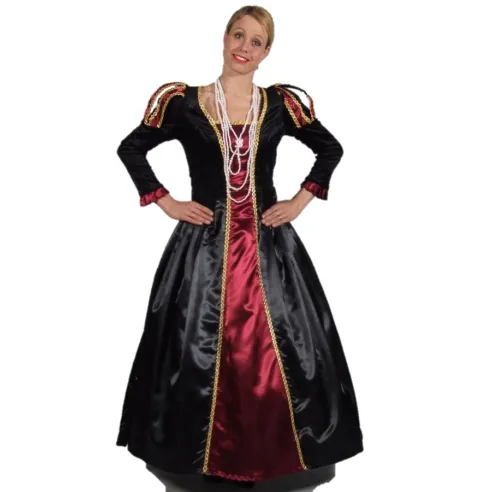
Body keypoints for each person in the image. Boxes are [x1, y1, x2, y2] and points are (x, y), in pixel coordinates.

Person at [115, 5, 363, 491]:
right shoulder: (184, 102)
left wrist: (298, 202)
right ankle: (192, 456)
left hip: (270, 248)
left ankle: (278, 453)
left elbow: (330, 148)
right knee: (194, 345)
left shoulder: (279, 104)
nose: (244, 48)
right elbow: (131, 147)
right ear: (224, 37)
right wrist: (167, 202)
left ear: (267, 52)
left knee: (281, 346)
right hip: (203, 248)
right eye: (238, 35)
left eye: (256, 41)